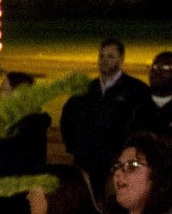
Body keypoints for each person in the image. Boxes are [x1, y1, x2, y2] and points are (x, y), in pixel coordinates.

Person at [62, 38, 148, 173]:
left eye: (110, 56)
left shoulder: (137, 90)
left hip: (118, 165)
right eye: (101, 56)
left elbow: (143, 127)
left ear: (121, 59)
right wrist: (75, 148)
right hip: (85, 162)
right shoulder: (84, 90)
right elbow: (68, 119)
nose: (104, 60)